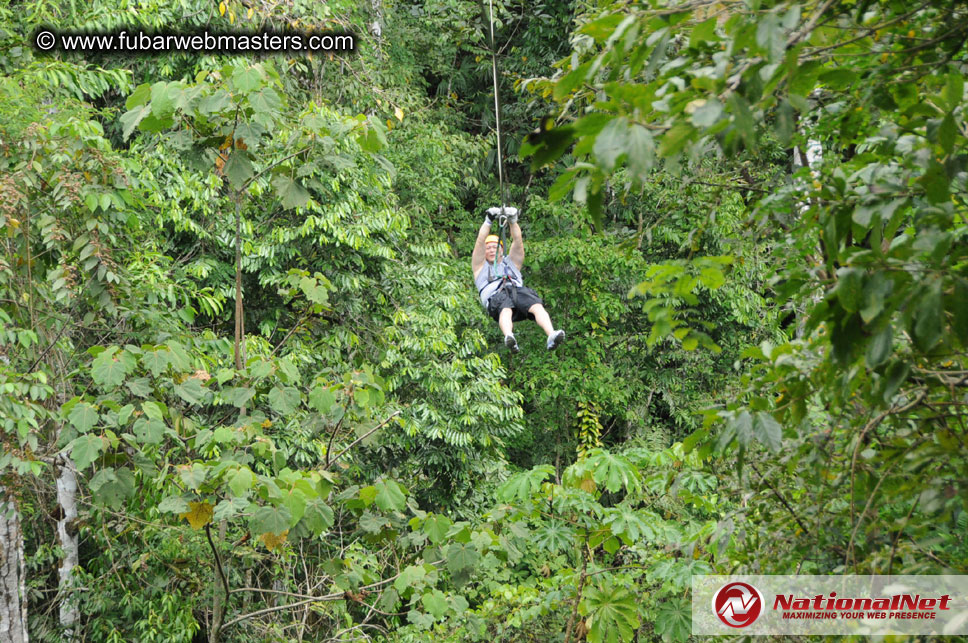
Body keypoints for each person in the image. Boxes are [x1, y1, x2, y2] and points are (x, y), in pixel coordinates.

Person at [471, 206, 565, 352]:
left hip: (517, 291)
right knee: (506, 309)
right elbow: (479, 242)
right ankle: (509, 336)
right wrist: (488, 221)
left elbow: (518, 241)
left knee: (536, 306)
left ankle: (551, 333)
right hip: (497, 296)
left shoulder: (511, 263)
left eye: (495, 247)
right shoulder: (480, 267)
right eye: (488, 248)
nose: (491, 250)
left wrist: (513, 221)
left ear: (501, 249)